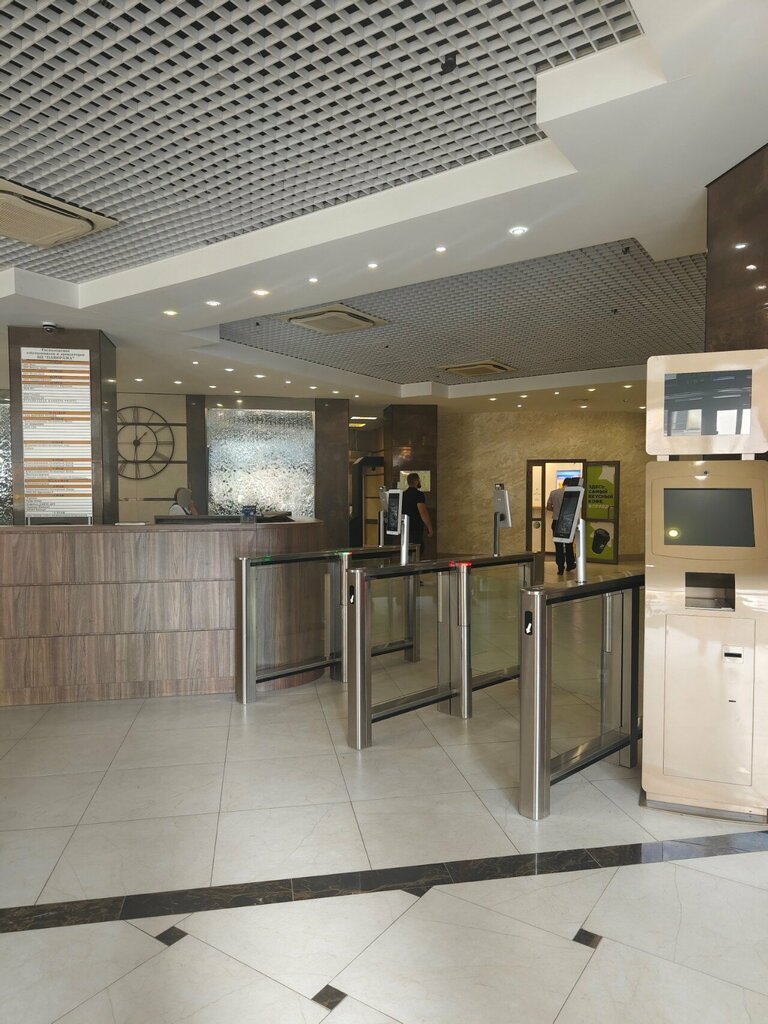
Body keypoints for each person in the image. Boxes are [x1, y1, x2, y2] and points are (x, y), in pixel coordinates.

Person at [546, 476, 579, 575]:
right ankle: (570, 564)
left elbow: (548, 507)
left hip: (556, 521)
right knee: (569, 544)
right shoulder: (573, 493)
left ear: (563, 483)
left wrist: (557, 510)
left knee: (558, 545)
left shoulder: (554, 492)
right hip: (568, 521)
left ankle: (560, 568)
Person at [401, 473, 433, 559]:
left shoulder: (403, 494)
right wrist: (429, 527)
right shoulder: (419, 494)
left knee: (407, 549)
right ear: (416, 481)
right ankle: (415, 566)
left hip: (405, 527)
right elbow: (423, 512)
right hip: (416, 527)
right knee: (418, 549)